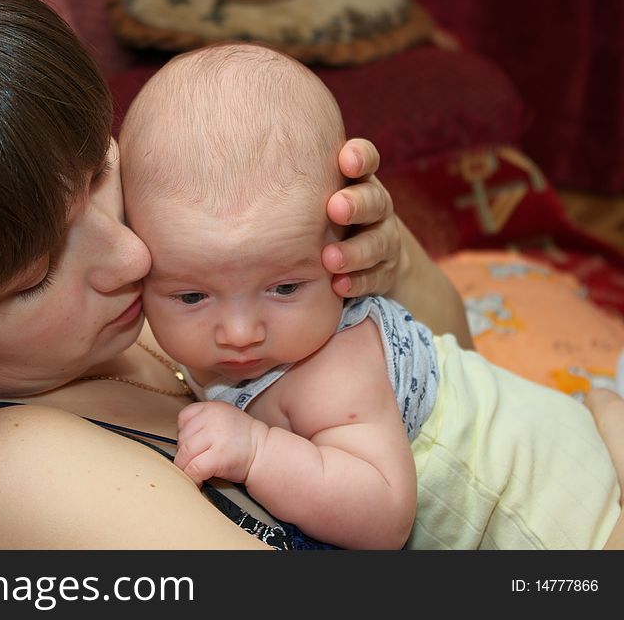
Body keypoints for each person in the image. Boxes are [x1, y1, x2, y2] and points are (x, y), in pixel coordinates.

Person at [0, 0, 622, 550]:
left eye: (99, 168)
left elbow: (436, 371)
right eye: (35, 276)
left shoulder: (85, 329)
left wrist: (378, 271)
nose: (132, 254)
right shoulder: (1, 474)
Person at [118, 42, 623, 549]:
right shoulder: (277, 331)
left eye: (286, 287)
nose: (241, 333)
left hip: (565, 517)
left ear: (345, 245)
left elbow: (383, 517)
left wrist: (257, 451)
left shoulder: (333, 369)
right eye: (191, 297)